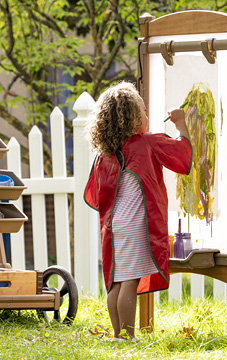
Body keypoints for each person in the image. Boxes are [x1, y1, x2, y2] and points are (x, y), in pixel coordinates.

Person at [84, 82, 192, 342]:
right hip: (135, 225)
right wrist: (181, 125)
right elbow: (182, 155)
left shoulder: (106, 153)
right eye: (143, 111)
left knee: (117, 281)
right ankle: (128, 336)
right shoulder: (146, 142)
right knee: (130, 281)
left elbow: (96, 193)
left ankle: (117, 335)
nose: (147, 116)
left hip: (114, 224)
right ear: (133, 120)